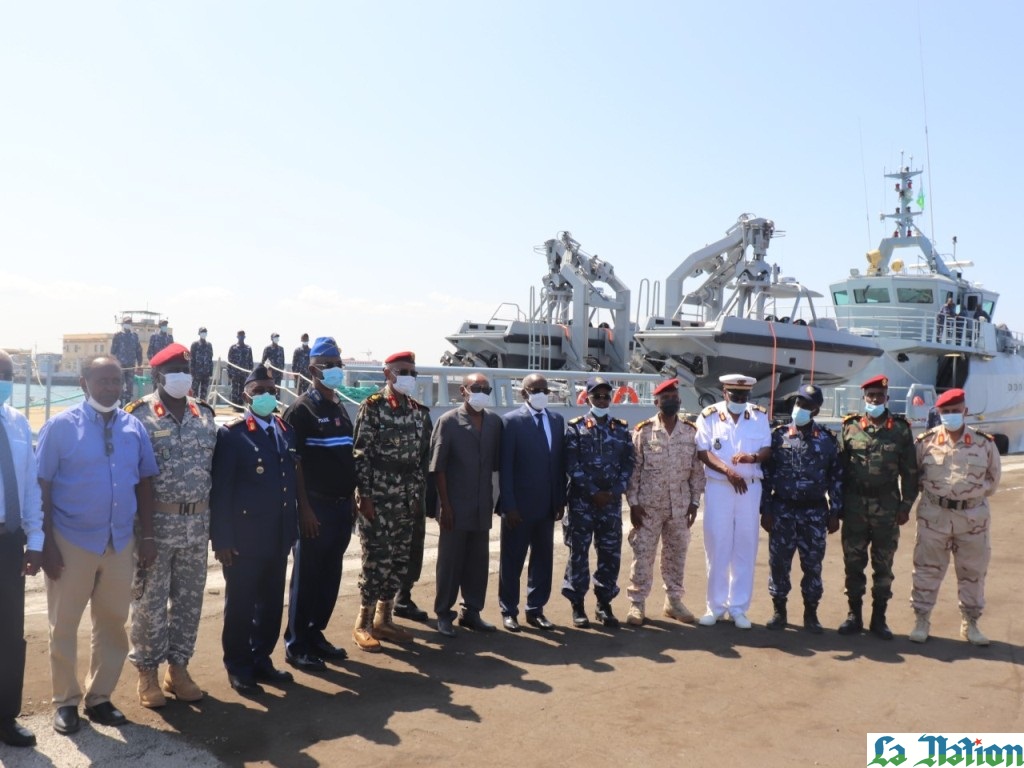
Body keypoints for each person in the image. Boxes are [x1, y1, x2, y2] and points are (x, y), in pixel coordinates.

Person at [36, 356, 158, 735]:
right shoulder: (59, 428)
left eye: (116, 380)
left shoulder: (133, 427)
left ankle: (100, 697)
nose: (110, 387)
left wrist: (148, 536)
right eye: (102, 380)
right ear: (83, 381)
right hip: (71, 540)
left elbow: (145, 482)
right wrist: (45, 545)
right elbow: (42, 486)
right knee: (65, 625)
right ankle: (66, 701)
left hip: (120, 541)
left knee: (111, 623)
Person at [124, 343, 217, 707]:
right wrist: (144, 533)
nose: (183, 374)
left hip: (197, 526)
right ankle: (146, 673)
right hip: (155, 528)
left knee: (189, 603)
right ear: (158, 375)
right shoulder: (139, 416)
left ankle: (178, 669)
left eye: (187, 368)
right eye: (176, 368)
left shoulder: (205, 414)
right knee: (148, 603)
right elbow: (135, 479)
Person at [210, 365, 298, 695]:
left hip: (277, 536)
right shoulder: (233, 434)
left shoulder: (284, 429)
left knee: (272, 604)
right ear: (246, 394)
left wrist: (291, 531)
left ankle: (261, 658)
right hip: (244, 540)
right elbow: (221, 492)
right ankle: (238, 665)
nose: (266, 395)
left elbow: (288, 483)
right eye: (259, 390)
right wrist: (222, 539)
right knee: (241, 606)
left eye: (271, 390)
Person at [282, 337, 356, 670]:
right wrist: (305, 510)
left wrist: (352, 499)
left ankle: (316, 633)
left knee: (330, 576)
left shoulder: (338, 406)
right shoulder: (301, 409)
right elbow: (293, 464)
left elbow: (346, 458)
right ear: (313, 370)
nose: (337, 370)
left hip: (341, 507)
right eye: (330, 365)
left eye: (339, 364)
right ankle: (297, 643)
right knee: (307, 576)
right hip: (315, 508)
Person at [351, 352, 432, 650]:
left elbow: (423, 458)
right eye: (403, 370)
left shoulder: (418, 411)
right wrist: (366, 497)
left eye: (412, 370)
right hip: (380, 496)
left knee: (399, 559)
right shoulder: (372, 407)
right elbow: (361, 456)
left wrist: (419, 495)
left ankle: (385, 620)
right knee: (376, 560)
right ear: (388, 374)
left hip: (408, 497)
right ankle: (363, 623)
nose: (408, 375)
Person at [908, 388, 1001, 646]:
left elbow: (993, 480)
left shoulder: (985, 443)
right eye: (945, 412)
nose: (950, 416)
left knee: (973, 571)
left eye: (955, 411)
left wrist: (969, 497)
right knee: (926, 570)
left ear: (965, 411)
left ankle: (970, 623)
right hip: (934, 517)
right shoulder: (925, 442)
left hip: (972, 519)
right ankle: (922, 619)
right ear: (938, 413)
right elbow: (915, 477)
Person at [837, 374, 918, 640]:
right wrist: (837, 506)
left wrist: (906, 506)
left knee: (883, 566)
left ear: (887, 398)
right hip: (854, 507)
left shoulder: (901, 430)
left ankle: (879, 619)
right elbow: (839, 469)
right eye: (870, 396)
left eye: (879, 396)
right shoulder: (849, 428)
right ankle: (854, 616)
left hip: (887, 507)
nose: (874, 400)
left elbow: (910, 473)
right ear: (864, 398)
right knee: (853, 563)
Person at [760, 385, 843, 633]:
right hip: (783, 510)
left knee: (813, 566)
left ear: (816, 409)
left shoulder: (827, 440)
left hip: (814, 513)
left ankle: (811, 615)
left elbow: (837, 477)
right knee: (779, 564)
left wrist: (835, 512)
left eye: (806, 405)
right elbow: (766, 474)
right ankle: (779, 612)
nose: (800, 409)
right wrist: (765, 509)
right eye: (798, 403)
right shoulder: (778, 436)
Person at [623, 378, 704, 627]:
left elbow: (696, 470)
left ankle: (674, 601)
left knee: (676, 555)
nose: (671, 401)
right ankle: (637, 604)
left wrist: (694, 502)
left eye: (675, 397)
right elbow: (634, 471)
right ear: (656, 402)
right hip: (648, 507)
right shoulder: (644, 431)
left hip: (679, 507)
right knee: (643, 555)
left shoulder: (690, 432)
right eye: (665, 398)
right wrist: (633, 504)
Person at [695, 374, 772, 629]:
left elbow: (767, 449)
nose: (739, 400)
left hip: (749, 489)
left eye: (743, 396)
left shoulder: (759, 416)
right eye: (734, 395)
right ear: (723, 392)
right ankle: (715, 606)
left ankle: (738, 608)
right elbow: (703, 451)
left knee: (745, 546)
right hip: (719, 488)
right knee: (717, 545)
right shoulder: (709, 415)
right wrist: (727, 471)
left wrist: (752, 458)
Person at [430, 372, 502, 637]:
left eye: (486, 388)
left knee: (477, 562)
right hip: (454, 506)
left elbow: (498, 464)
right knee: (449, 562)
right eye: (476, 387)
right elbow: (438, 469)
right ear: (463, 391)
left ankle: (471, 612)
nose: (481, 391)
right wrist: (444, 506)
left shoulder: (494, 422)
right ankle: (443, 614)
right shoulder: (448, 422)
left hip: (482, 505)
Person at [563, 376, 634, 628]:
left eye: (606, 396)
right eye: (597, 395)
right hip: (582, 503)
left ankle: (604, 604)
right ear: (588, 397)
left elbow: (629, 462)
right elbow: (571, 464)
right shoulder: (575, 427)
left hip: (611, 504)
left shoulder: (621, 428)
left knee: (609, 554)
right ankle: (577, 605)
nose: (602, 400)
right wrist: (593, 491)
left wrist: (616, 489)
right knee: (578, 555)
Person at [498, 373, 566, 632]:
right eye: (535, 389)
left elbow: (558, 465)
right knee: (512, 560)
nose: (541, 393)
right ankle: (509, 610)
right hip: (519, 508)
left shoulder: (557, 420)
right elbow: (505, 468)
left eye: (544, 389)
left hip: (547, 506)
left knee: (543, 560)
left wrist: (560, 499)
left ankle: (535, 609)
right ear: (523, 393)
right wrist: (509, 505)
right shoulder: (512, 422)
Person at [0, 351, 44, 747]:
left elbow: (29, 485)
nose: (4, 380)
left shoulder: (16, 422)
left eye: (8, 374)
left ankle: (5, 716)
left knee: (10, 632)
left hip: (9, 541)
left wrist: (36, 540)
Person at [111, 315, 143, 403]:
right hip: (120, 365)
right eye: (126, 323)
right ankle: (120, 403)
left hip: (131, 365)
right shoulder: (117, 336)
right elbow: (113, 351)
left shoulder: (134, 336)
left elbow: (138, 350)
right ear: (123, 324)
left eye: (129, 323)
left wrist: (139, 363)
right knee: (120, 383)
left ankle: (128, 402)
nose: (128, 324)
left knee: (130, 385)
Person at [227, 331, 254, 410]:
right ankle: (235, 405)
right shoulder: (233, 347)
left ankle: (242, 405)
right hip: (235, 373)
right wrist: (229, 372)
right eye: (240, 336)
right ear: (237, 336)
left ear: (244, 336)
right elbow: (230, 361)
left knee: (243, 390)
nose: (241, 337)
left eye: (242, 336)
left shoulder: (248, 348)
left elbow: (250, 361)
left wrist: (251, 373)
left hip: (245, 373)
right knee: (235, 390)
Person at [189, 326, 214, 401]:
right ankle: (194, 406)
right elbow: (191, 358)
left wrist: (210, 371)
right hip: (197, 372)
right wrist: (192, 370)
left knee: (204, 391)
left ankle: (202, 407)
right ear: (199, 333)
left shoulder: (209, 345)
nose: (204, 334)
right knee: (194, 391)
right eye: (202, 332)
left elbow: (210, 359)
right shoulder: (195, 344)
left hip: (206, 372)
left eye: (205, 332)